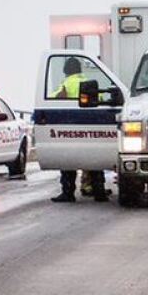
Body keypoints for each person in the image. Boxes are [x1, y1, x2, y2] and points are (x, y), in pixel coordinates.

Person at [51, 57, 110, 203]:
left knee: (68, 162)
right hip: (91, 126)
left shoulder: (67, 83)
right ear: (79, 69)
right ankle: (99, 191)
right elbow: (101, 98)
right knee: (95, 161)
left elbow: (54, 98)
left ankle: (68, 192)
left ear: (66, 70)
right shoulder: (89, 82)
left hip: (71, 126)